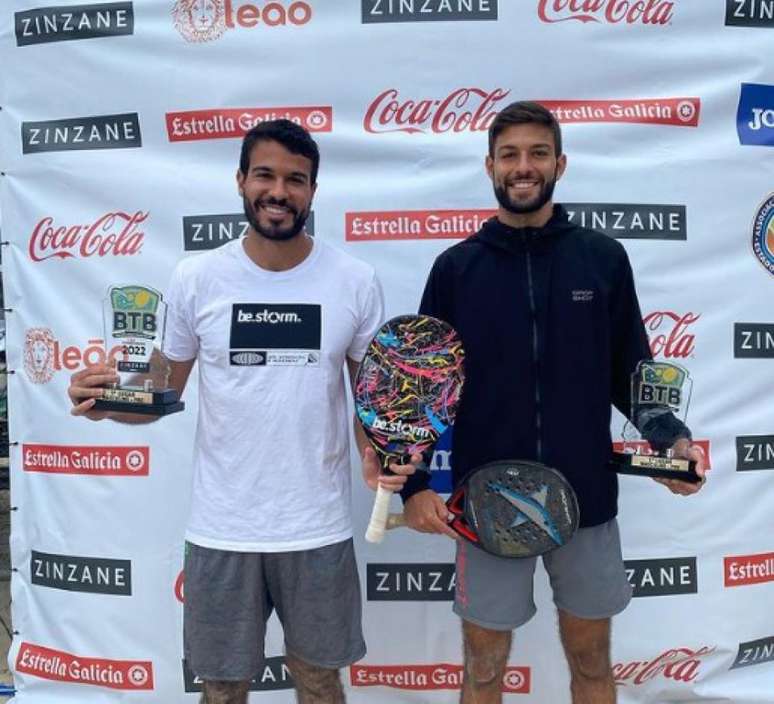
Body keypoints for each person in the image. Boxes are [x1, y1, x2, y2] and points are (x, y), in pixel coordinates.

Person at [67, 119, 415, 704]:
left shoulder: (354, 281)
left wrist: (373, 451)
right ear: (240, 181)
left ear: (312, 191)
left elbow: (371, 399)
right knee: (223, 689)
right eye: (265, 175)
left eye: (295, 180)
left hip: (316, 527)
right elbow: (162, 390)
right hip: (223, 527)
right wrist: (106, 402)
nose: (279, 191)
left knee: (320, 681)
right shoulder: (198, 277)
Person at [399, 101, 708, 704]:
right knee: (484, 669)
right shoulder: (456, 269)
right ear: (490, 165)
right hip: (484, 504)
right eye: (510, 154)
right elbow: (420, 392)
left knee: (592, 662)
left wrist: (671, 441)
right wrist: (413, 488)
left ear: (560, 164)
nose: (524, 166)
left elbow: (632, 372)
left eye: (538, 153)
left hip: (586, 498)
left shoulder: (602, 258)